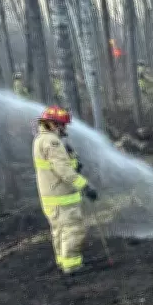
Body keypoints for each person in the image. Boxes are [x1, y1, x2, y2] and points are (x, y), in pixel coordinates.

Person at [32, 106, 98, 274]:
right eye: (62, 125)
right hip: (61, 197)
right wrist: (84, 185)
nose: (64, 129)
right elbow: (63, 170)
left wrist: (74, 162)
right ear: (53, 124)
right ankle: (72, 266)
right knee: (73, 229)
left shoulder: (41, 140)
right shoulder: (52, 142)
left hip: (52, 197)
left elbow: (58, 166)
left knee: (59, 231)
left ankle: (63, 261)